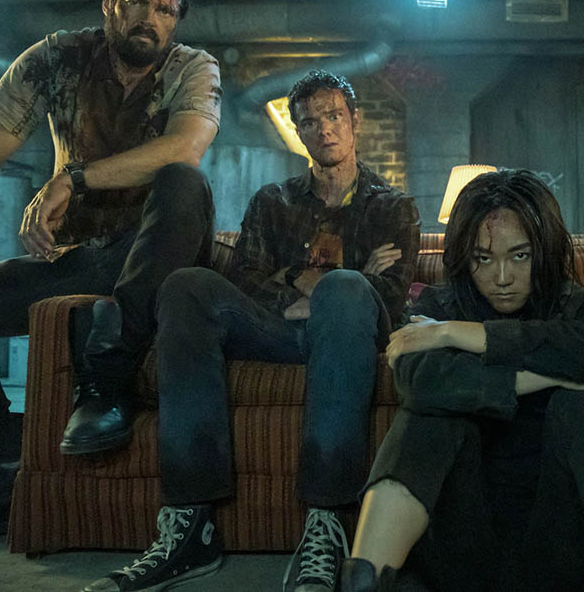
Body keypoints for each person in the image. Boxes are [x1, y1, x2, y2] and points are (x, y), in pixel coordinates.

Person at [0, 0, 221, 550]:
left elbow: (185, 148)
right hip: (75, 261)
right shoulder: (55, 58)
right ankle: (3, 467)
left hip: (154, 263)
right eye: (137, 2)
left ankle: (106, 377)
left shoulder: (191, 67)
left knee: (183, 182)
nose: (150, 18)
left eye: (166, 10)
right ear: (110, 4)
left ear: (177, 21)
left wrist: (75, 178)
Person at [81, 69, 420, 592]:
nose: (324, 129)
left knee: (345, 290)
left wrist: (321, 286)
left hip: (348, 338)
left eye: (333, 116)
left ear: (355, 121)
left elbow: (390, 297)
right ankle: (190, 522)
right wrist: (302, 282)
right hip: (276, 332)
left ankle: (327, 521)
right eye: (310, 122)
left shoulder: (393, 207)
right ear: (299, 133)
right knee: (188, 285)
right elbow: (246, 281)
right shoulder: (272, 200)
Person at [339, 169, 584, 592]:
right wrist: (557, 377)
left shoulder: (574, 305)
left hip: (562, 543)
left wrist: (461, 335)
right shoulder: (438, 305)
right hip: (460, 546)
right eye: (483, 259)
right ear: (465, 257)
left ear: (544, 252)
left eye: (520, 256)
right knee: (431, 412)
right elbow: (421, 383)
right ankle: (364, 580)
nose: (502, 277)